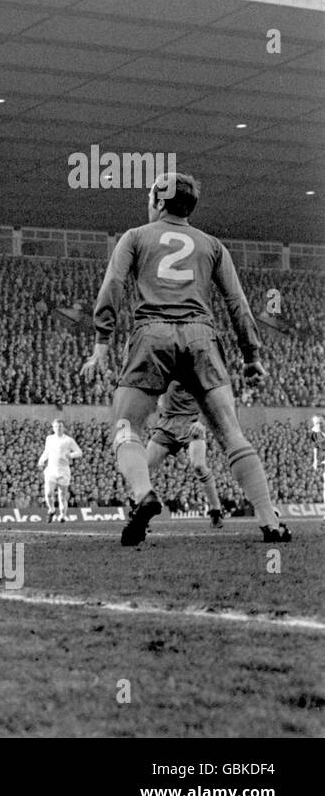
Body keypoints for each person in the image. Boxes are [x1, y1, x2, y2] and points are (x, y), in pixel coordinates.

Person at [79, 172, 290, 545]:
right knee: (231, 435)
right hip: (201, 337)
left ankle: (144, 495)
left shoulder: (135, 237)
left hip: (152, 334)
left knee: (126, 427)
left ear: (159, 200)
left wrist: (101, 343)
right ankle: (269, 520)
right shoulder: (212, 245)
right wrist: (251, 354)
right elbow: (236, 302)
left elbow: (112, 285)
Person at [145, 384, 223, 527]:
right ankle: (141, 519)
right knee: (144, 469)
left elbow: (212, 398)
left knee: (199, 466)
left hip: (192, 423)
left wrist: (201, 422)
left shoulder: (196, 368)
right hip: (167, 424)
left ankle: (215, 509)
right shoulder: (164, 367)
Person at [37, 420, 83, 523]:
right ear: (53, 428)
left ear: (64, 428)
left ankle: (62, 516)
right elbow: (47, 451)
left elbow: (79, 452)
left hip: (64, 471)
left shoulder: (68, 440)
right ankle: (52, 510)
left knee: (62, 496)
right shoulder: (49, 438)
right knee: (48, 493)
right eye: (56, 426)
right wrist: (41, 461)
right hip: (51, 469)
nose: (58, 428)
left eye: (60, 426)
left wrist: (71, 455)